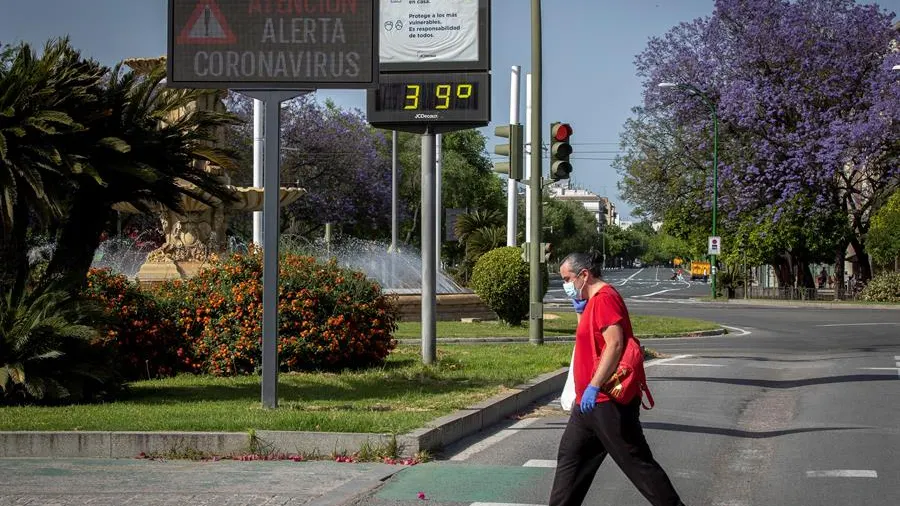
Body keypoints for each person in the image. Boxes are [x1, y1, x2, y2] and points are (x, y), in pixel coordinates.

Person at [549, 251, 686, 506]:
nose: (565, 285)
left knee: (637, 464)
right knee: (571, 461)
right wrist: (581, 311)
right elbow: (590, 341)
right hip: (587, 404)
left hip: (607, 401)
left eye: (567, 279)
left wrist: (593, 385)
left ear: (584, 275)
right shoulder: (592, 301)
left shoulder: (605, 299)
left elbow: (614, 345)